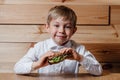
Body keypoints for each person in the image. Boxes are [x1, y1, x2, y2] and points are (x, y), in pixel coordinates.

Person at [14, 5, 102, 75]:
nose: (61, 31)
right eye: (56, 26)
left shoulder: (79, 49)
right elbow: (17, 68)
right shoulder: (39, 47)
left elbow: (98, 71)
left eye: (67, 27)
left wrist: (80, 58)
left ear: (74, 31)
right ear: (47, 27)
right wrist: (38, 64)